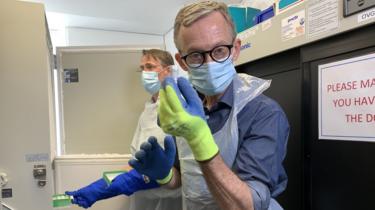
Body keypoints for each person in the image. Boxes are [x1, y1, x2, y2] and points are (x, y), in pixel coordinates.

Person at [129, 1, 290, 210]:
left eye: (220, 50)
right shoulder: (184, 109)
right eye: (196, 55)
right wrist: (165, 175)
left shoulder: (263, 113)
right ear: (182, 61)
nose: (209, 63)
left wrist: (199, 140)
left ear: (235, 50)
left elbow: (247, 205)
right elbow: (186, 180)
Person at [65, 49, 182, 210]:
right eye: (142, 68)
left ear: (168, 71)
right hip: (147, 198)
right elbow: (134, 162)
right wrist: (106, 181)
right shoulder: (147, 110)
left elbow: (171, 166)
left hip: (172, 197)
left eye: (150, 66)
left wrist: (104, 189)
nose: (144, 73)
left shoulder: (178, 105)